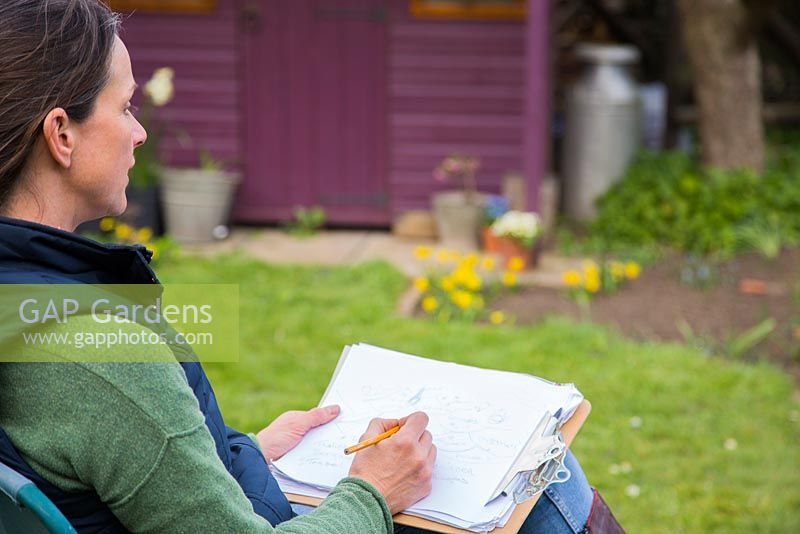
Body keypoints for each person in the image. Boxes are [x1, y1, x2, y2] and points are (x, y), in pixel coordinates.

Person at [0, 1, 621, 532]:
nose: (139, 133)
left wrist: (240, 452)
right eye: (126, 108)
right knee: (543, 476)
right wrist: (372, 493)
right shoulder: (94, 351)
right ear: (61, 135)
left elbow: (127, 465)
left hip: (249, 489)